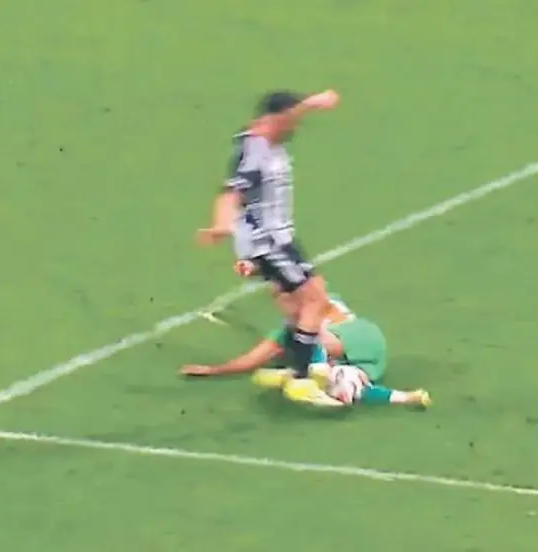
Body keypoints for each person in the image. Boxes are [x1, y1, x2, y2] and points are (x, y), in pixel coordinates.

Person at [196, 89, 339, 405]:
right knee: (314, 299)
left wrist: (312, 103)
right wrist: (221, 224)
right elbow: (230, 193)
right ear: (277, 120)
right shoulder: (256, 152)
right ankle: (300, 379)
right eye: (292, 121)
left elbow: (283, 114)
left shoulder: (263, 137)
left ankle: (290, 368)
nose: (296, 127)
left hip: (280, 238)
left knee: (302, 304)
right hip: (268, 242)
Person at [181, 291, 431, 409]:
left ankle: (309, 375)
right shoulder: (312, 301)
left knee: (304, 337)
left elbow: (254, 359)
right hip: (366, 357)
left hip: (351, 337)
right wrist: (213, 370)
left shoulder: (298, 321)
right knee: (346, 387)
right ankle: (407, 397)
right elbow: (254, 358)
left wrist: (213, 370)